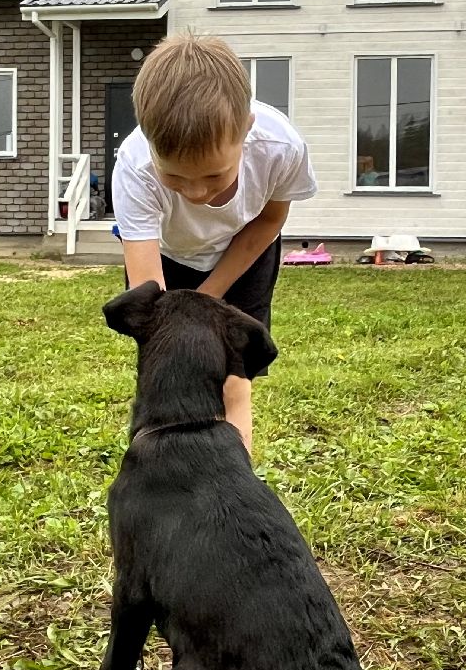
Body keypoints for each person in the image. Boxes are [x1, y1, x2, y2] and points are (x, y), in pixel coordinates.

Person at [112, 32, 317, 452]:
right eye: (174, 177)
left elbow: (270, 219)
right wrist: (179, 322)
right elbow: (148, 288)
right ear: (148, 141)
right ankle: (158, 464)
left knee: (234, 381)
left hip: (245, 251)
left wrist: (209, 297)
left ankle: (234, 472)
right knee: (169, 369)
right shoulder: (134, 167)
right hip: (167, 259)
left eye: (214, 175)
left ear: (246, 130)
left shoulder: (280, 148)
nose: (196, 193)